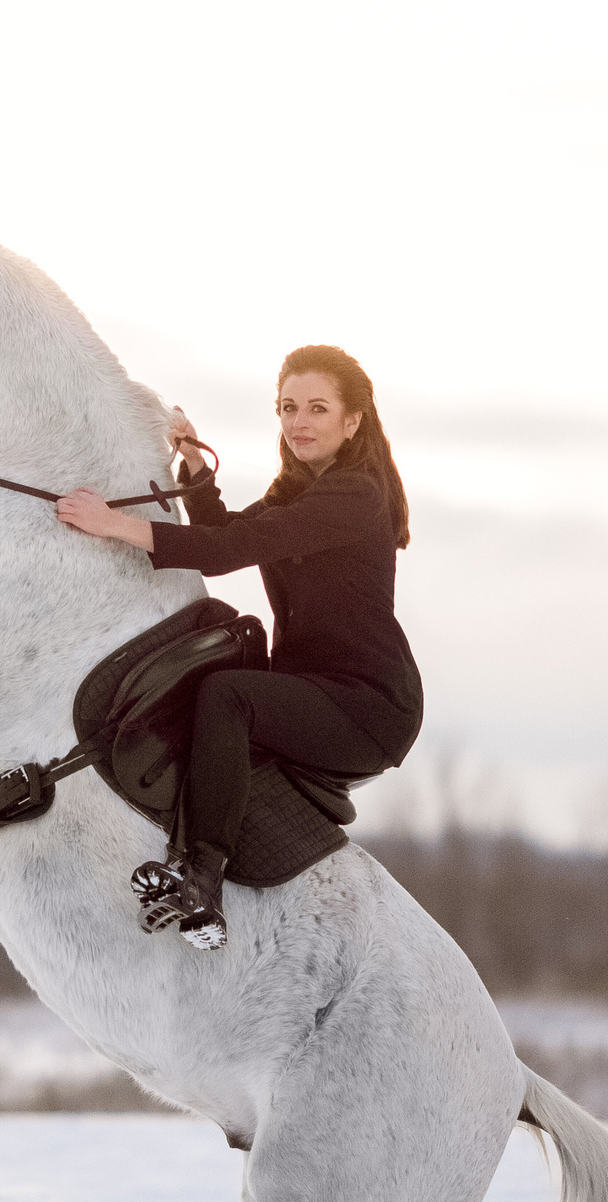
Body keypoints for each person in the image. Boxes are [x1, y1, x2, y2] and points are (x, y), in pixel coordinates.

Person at [56, 345, 421, 950]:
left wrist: (113, 524)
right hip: (309, 684)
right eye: (288, 407)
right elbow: (226, 531)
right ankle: (186, 854)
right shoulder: (298, 490)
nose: (299, 422)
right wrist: (195, 467)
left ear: (352, 421)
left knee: (230, 695)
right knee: (214, 682)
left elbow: (225, 553)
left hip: (367, 706)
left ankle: (202, 882)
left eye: (318, 408)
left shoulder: (354, 496)